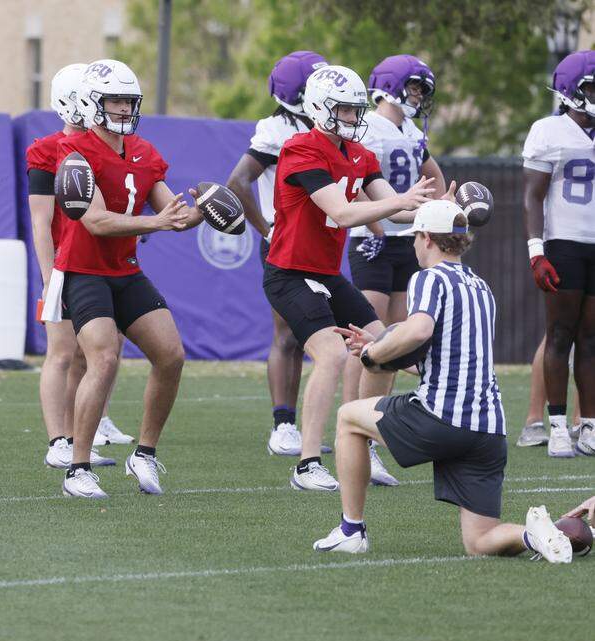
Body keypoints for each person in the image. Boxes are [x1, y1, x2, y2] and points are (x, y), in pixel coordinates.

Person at [315, 201, 575, 564]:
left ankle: (350, 531)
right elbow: (443, 361)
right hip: (488, 432)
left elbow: (418, 330)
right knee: (481, 540)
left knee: (347, 418)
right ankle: (535, 535)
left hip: (442, 418)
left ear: (426, 238)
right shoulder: (482, 287)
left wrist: (373, 355)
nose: (413, 246)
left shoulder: (428, 278)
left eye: (415, 238)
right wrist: (378, 347)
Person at [263, 64, 440, 492]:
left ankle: (361, 444)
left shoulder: (360, 155)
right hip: (289, 273)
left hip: (326, 273)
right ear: (321, 109)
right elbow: (341, 213)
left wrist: (436, 209)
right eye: (343, 110)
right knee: (333, 355)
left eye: (354, 109)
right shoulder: (300, 149)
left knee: (388, 349)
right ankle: (307, 463)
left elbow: (395, 210)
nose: (352, 117)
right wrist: (401, 200)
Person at [39, 59, 194, 499]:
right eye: (115, 100)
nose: (124, 108)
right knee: (103, 358)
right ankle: (78, 468)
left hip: (125, 272)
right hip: (83, 272)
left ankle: (144, 454)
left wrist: (209, 209)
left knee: (171, 355)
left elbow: (172, 213)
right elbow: (98, 222)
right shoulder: (75, 155)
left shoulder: (144, 151)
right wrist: (159, 223)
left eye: (129, 100)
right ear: (93, 103)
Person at [227, 50, 326, 458]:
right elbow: (237, 181)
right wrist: (268, 228)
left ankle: (305, 425)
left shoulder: (327, 128)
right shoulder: (276, 131)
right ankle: (283, 425)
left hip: (321, 244)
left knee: (311, 336)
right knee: (288, 335)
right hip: (285, 244)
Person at [27, 63, 125, 472]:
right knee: (62, 353)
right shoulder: (46, 150)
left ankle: (75, 435)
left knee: (91, 356)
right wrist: (51, 277)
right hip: (65, 263)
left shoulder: (103, 146)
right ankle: (57, 441)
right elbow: (40, 219)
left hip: (96, 263)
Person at [520, 49, 595, 457]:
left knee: (591, 339)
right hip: (563, 242)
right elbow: (532, 197)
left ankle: (589, 426)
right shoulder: (548, 130)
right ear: (571, 91)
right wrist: (537, 252)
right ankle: (558, 425)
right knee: (560, 335)